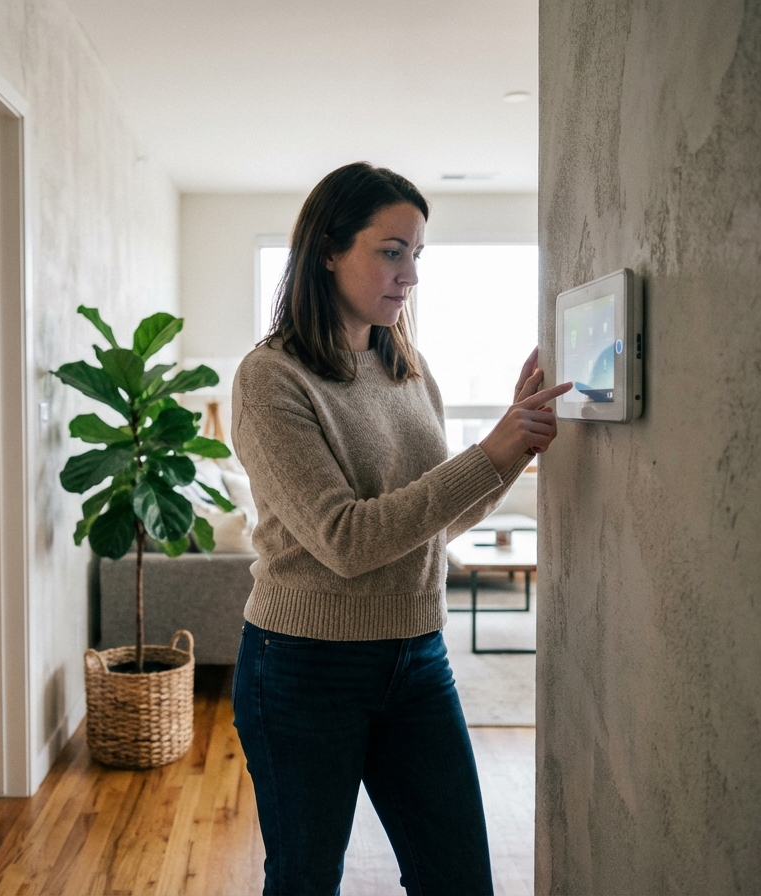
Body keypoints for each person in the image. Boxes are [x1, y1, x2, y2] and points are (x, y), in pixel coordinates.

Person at [230, 161, 572, 896]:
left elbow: (435, 523)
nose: (410, 274)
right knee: (304, 882)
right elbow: (347, 540)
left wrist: (517, 446)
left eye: (417, 254)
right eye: (391, 251)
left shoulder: (409, 371)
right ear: (328, 248)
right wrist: (492, 453)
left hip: (417, 655)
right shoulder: (271, 378)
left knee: (459, 880)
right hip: (304, 667)